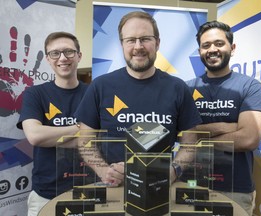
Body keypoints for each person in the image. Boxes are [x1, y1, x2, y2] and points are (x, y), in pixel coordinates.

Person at [74, 11, 202, 187]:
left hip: (160, 188)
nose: (138, 46)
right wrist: (105, 172)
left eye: (145, 39)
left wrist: (173, 171)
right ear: (122, 44)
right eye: (131, 40)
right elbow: (85, 141)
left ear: (157, 43)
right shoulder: (100, 86)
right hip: (114, 188)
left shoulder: (178, 88)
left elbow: (190, 145)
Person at [186, 20, 261, 215]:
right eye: (206, 45)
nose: (212, 49)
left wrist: (198, 136)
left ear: (232, 48)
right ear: (200, 51)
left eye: (219, 43)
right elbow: (181, 134)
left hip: (235, 189)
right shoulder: (186, 88)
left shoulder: (249, 87)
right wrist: (232, 127)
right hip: (189, 186)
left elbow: (249, 139)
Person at [16, 32, 88, 216]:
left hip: (89, 192)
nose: (62, 58)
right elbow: (35, 136)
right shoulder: (35, 94)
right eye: (55, 53)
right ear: (48, 59)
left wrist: (53, 136)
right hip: (46, 195)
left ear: (79, 56)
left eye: (69, 52)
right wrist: (82, 129)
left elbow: (102, 137)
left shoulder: (94, 94)